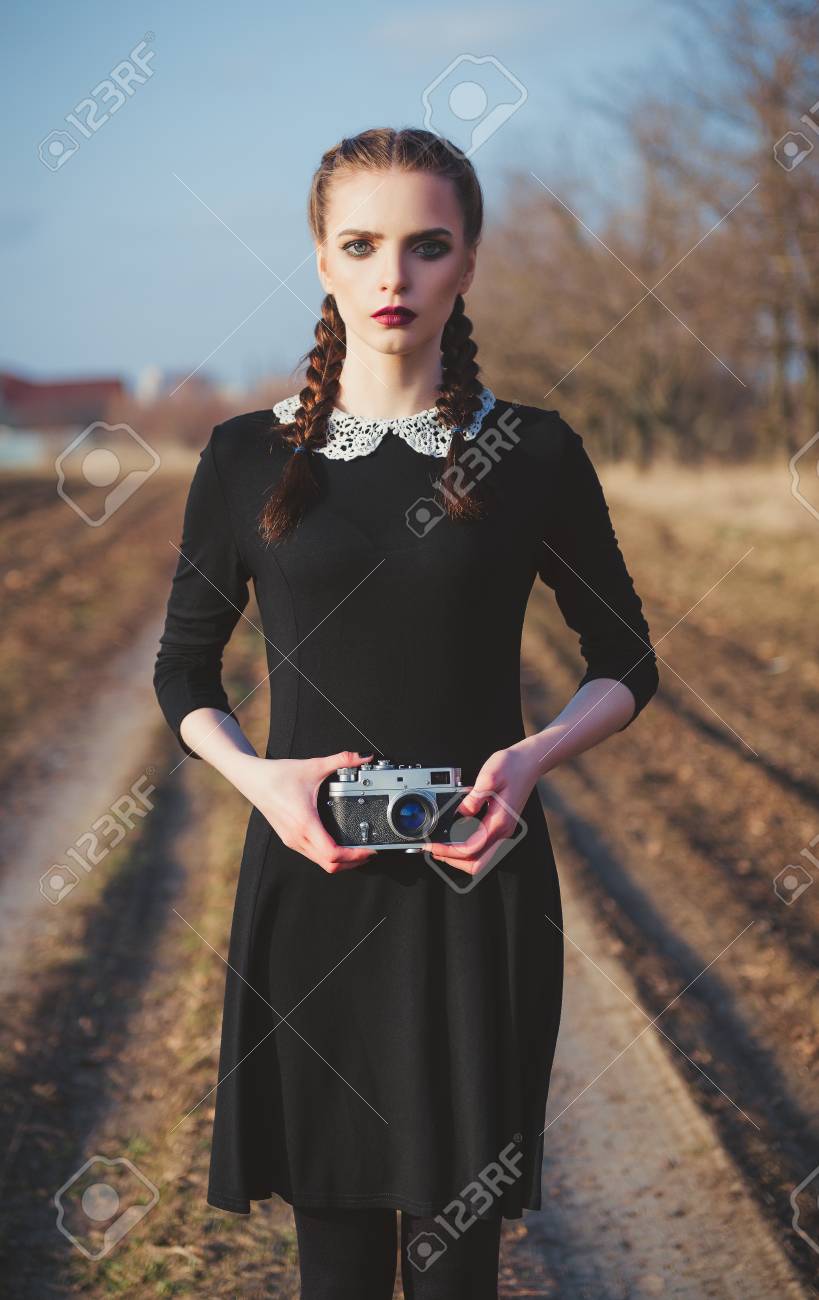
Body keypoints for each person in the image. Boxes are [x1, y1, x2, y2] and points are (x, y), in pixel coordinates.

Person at [153, 126, 659, 1299]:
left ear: (469, 264)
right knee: (332, 1255)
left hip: (477, 884)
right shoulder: (243, 456)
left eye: (428, 246)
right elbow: (185, 670)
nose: (395, 276)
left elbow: (625, 660)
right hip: (309, 883)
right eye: (363, 245)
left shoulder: (531, 451)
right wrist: (260, 778)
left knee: (455, 1256)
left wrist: (528, 762)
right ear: (322, 260)